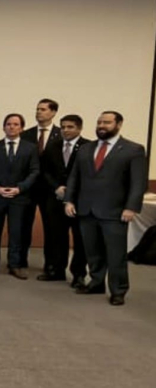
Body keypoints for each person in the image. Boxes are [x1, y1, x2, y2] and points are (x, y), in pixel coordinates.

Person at [65, 111, 147, 306]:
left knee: (115, 253)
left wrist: (131, 207)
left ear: (118, 124)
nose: (102, 125)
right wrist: (69, 200)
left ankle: (118, 290)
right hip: (86, 209)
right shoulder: (85, 149)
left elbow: (138, 183)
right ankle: (96, 282)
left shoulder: (133, 149)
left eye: (107, 122)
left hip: (115, 211)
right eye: (100, 122)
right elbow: (74, 177)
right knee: (92, 251)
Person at [0, 113, 40, 279]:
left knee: (16, 232)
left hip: (19, 197)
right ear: (3, 127)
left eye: (15, 124)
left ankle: (15, 265)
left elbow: (34, 171)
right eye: (8, 124)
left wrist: (20, 188)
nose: (11, 127)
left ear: (21, 127)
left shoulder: (30, 148)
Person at [39, 114, 89, 286]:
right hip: (55, 198)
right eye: (63, 127)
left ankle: (79, 274)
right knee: (56, 236)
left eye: (70, 127)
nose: (66, 130)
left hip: (79, 201)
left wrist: (72, 192)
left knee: (80, 238)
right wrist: (56, 187)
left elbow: (91, 175)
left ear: (79, 128)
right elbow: (44, 171)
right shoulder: (52, 146)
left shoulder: (88, 147)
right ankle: (57, 270)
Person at [20, 98, 61, 269]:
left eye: (43, 109)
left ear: (53, 112)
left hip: (51, 189)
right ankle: (20, 261)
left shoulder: (61, 134)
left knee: (52, 228)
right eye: (37, 109)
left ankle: (51, 264)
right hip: (28, 188)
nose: (39, 112)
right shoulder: (26, 134)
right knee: (23, 226)